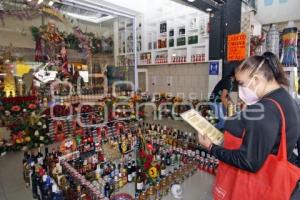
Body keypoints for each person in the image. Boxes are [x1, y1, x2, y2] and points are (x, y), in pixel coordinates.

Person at [199, 52, 300, 199]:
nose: (240, 90)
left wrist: (211, 147)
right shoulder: (286, 99)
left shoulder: (264, 110)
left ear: (256, 79)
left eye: (241, 84)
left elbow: (248, 161)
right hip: (277, 176)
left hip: (258, 185)